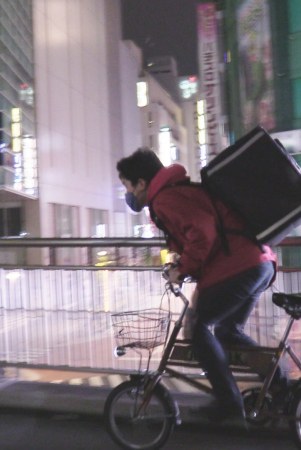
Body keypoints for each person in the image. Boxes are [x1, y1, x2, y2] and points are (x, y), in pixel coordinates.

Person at [116, 148, 284, 425]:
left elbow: (203, 232)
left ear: (142, 183)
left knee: (200, 329)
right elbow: (202, 233)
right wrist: (183, 265)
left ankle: (230, 405)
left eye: (127, 186)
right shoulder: (176, 190)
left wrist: (182, 269)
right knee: (228, 330)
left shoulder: (166, 198)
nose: (128, 194)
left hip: (240, 265)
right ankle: (279, 387)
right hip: (257, 261)